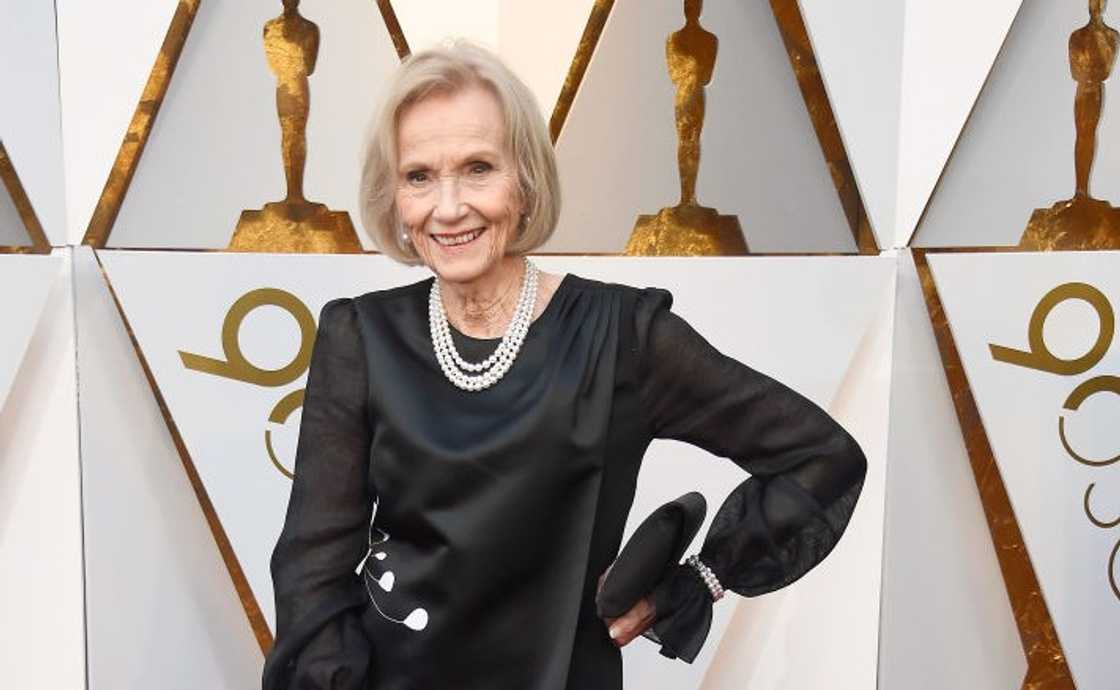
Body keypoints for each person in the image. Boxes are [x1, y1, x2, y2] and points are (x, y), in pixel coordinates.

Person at [262, 41, 867, 690]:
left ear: (524, 180)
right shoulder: (361, 336)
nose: (447, 206)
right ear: (395, 198)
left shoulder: (626, 337)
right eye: (419, 176)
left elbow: (821, 456)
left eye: (477, 168)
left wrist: (701, 577)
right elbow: (313, 573)